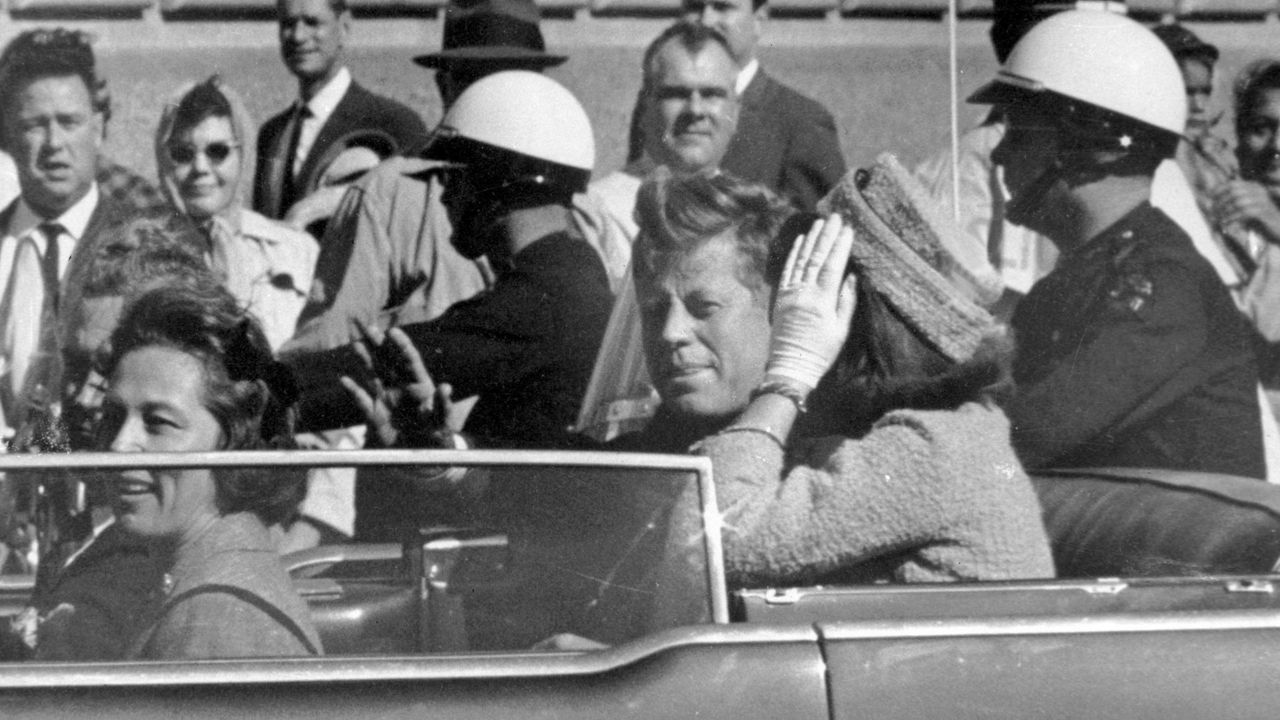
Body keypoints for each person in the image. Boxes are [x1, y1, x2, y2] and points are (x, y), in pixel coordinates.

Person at [294, 71, 612, 540]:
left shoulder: (545, 294)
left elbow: (396, 362)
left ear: (497, 179)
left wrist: (265, 389)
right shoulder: (574, 269)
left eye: (452, 176)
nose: (442, 194)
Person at [971, 10, 1266, 478]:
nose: (1001, 153)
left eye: (1020, 132)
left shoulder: (1162, 287)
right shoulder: (1085, 277)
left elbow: (1012, 440)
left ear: (1096, 143)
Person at [278, 0, 610, 359]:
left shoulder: (579, 204)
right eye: (478, 80)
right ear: (444, 86)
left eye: (513, 80)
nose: (496, 101)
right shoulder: (385, 199)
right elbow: (324, 349)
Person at [100, 283, 321, 659]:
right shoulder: (197, 582)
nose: (120, 446)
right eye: (114, 417)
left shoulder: (218, 617)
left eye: (158, 422)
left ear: (234, 442)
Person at [575, 22, 741, 440]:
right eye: (676, 93)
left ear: (736, 111)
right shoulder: (594, 209)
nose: (696, 110)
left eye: (714, 94)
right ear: (645, 106)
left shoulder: (750, 213)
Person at [0, 29, 139, 437]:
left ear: (98, 128)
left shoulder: (145, 245)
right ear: (8, 134)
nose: (53, 143)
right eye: (34, 125)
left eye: (69, 122)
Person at [624, 0, 844, 211]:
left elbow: (819, 227)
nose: (706, 20)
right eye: (695, 6)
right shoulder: (658, 103)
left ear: (758, 18)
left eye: (722, 7)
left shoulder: (801, 121)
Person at [158, 76, 318, 353]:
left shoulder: (296, 249)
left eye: (217, 151)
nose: (200, 167)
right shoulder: (143, 253)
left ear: (243, 157)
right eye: (182, 153)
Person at [254, 0, 427, 224]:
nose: (297, 36)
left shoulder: (395, 125)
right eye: (288, 24)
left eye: (312, 22)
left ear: (344, 28)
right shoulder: (272, 134)